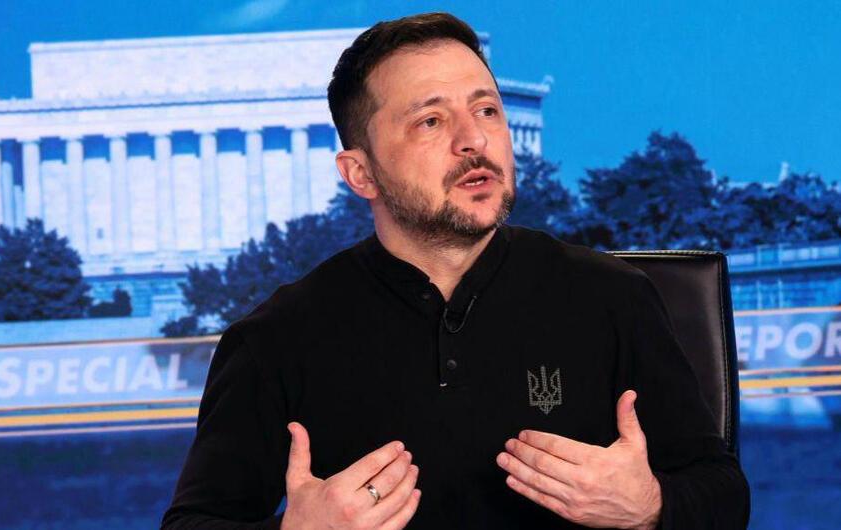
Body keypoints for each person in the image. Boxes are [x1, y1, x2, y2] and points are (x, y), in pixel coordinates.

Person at [162, 12, 750, 529]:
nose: (474, 140)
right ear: (360, 173)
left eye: (486, 110)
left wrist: (650, 507)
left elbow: (723, 495)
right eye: (431, 121)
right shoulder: (275, 340)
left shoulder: (612, 297)